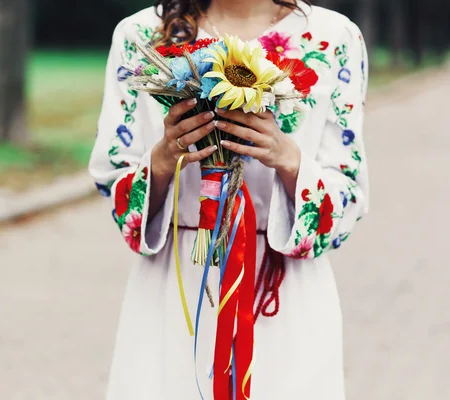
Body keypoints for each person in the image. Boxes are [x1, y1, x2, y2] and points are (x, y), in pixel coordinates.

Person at [88, 0, 369, 399]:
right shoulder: (140, 35)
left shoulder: (334, 38)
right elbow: (114, 177)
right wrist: (166, 157)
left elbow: (348, 193)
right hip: (178, 286)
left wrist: (287, 158)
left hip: (282, 289)